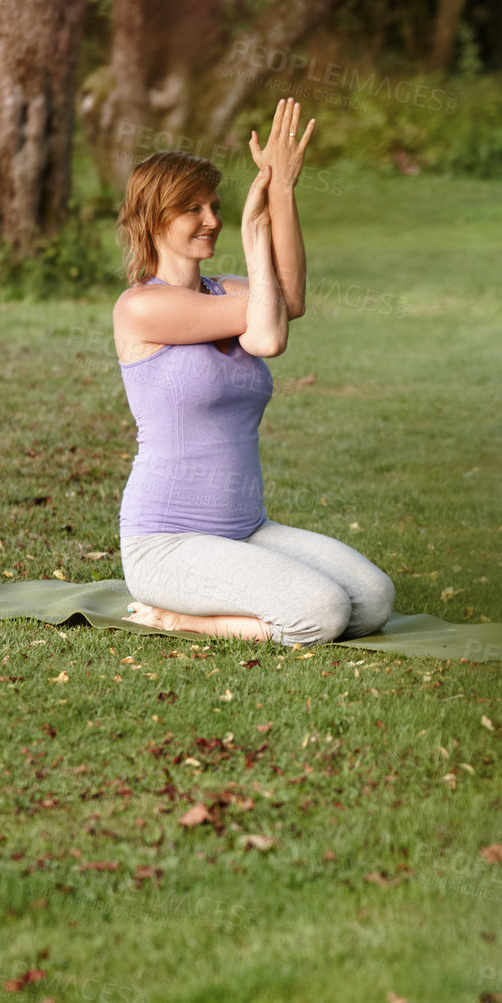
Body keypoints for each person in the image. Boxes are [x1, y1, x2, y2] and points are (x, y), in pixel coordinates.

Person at [110, 98, 394, 645]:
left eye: (216, 206)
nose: (211, 219)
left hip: (246, 530)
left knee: (374, 599)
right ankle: (183, 618)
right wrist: (251, 230)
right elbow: (267, 332)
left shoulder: (232, 290)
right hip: (166, 542)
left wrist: (281, 192)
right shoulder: (141, 308)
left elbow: (289, 300)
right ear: (155, 217)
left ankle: (226, 605)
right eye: (193, 209)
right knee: (324, 613)